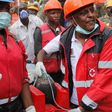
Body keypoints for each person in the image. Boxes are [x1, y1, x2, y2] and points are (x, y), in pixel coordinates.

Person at [35, 0, 112, 111]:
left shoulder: (107, 37)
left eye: (91, 10)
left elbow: (106, 76)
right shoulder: (66, 37)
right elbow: (43, 51)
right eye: (84, 13)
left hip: (100, 105)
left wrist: (83, 107)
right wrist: (39, 62)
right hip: (73, 101)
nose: (91, 15)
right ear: (72, 19)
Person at [0, 0, 36, 112]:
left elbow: (23, 77)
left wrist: (30, 108)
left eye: (6, 9)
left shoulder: (15, 40)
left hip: (17, 105)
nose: (4, 13)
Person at [9, 2, 43, 83]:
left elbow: (44, 32)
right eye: (20, 10)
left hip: (39, 60)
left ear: (28, 10)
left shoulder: (36, 20)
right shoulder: (14, 29)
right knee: (29, 83)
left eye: (25, 9)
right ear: (18, 13)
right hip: (25, 64)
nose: (23, 12)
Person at [34, 0, 65, 84]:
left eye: (58, 13)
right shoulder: (40, 30)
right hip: (46, 72)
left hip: (62, 72)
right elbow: (37, 52)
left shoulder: (64, 30)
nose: (56, 15)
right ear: (46, 14)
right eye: (53, 13)